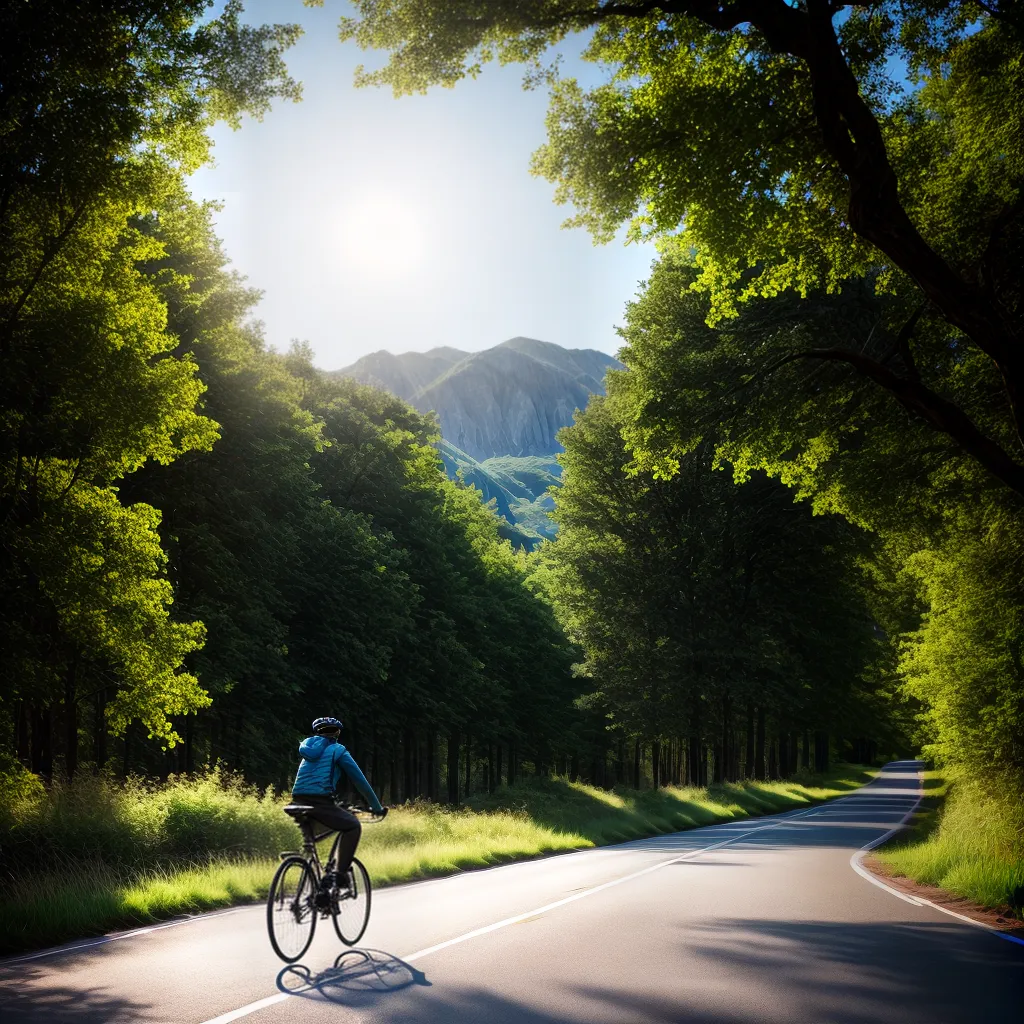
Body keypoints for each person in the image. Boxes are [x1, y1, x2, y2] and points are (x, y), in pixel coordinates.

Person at [291, 716, 386, 892]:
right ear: (337, 733)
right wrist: (376, 807)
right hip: (321, 802)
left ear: (317, 732)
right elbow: (360, 782)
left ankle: (312, 875)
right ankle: (337, 875)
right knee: (352, 826)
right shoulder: (338, 750)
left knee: (314, 837)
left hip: (297, 801)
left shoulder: (307, 749)